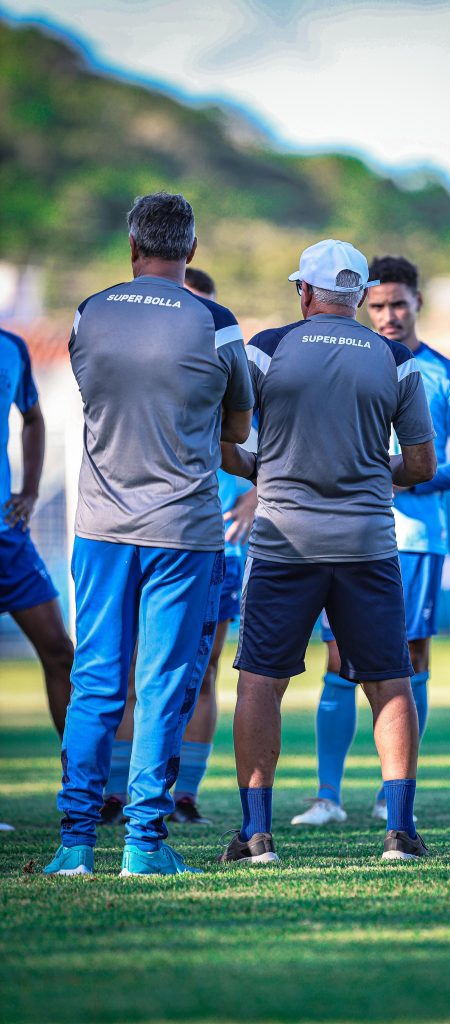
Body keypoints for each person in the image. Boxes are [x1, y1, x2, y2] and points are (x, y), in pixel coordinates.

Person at [43, 192, 253, 876]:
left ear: (131, 248)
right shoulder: (217, 323)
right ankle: (143, 846)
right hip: (184, 532)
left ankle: (75, 844)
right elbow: (237, 430)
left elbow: (91, 392)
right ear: (191, 252)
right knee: (164, 686)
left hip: (101, 528)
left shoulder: (88, 313)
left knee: (96, 684)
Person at [218, 238, 437, 865]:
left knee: (262, 682)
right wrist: (365, 466)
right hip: (368, 543)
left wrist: (271, 468)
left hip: (285, 545)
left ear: (305, 292)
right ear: (362, 295)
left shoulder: (266, 350)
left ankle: (257, 836)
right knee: (390, 682)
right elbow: (420, 465)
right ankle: (400, 831)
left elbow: (230, 446)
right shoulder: (396, 359)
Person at [291, 255, 450, 827]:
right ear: (362, 305)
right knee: (337, 659)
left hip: (418, 537)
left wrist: (404, 473)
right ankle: (327, 795)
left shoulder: (446, 375)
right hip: (350, 534)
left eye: (398, 303)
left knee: (409, 657)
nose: (389, 315)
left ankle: (392, 792)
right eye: (377, 305)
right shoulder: (351, 361)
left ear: (418, 302)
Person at [101, 267, 257, 827]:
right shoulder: (144, 368)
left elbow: (271, 441)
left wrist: (255, 495)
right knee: (138, 666)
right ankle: (117, 792)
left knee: (206, 668)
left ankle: (182, 791)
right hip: (154, 532)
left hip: (221, 545)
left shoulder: (232, 363)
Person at [0, 326, 73, 738]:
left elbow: (33, 418)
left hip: (7, 537)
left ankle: (80, 787)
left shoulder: (12, 348)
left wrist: (28, 491)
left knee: (60, 652)